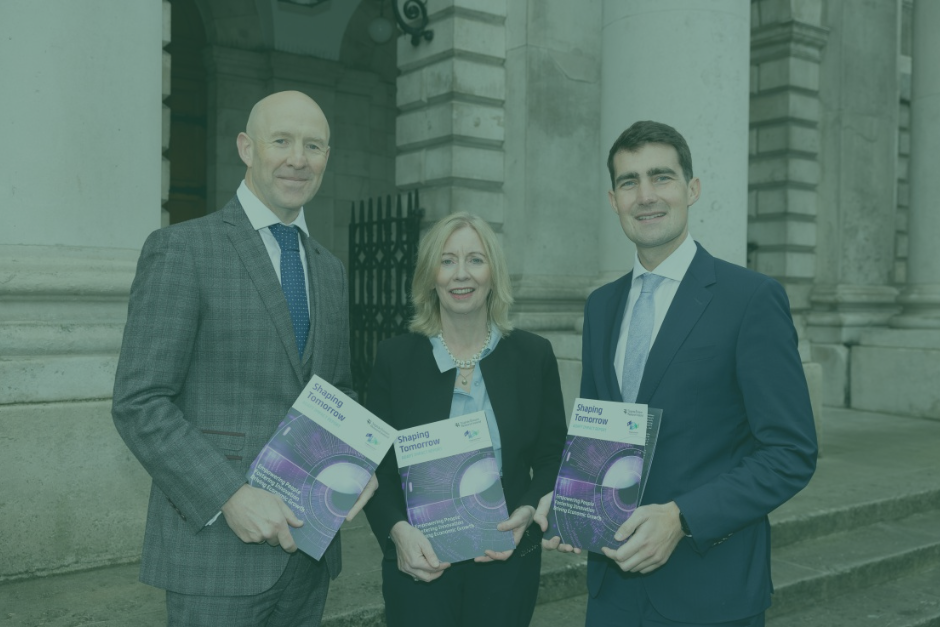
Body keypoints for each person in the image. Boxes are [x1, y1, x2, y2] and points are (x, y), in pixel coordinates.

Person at [537, 121, 818, 626]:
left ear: (691, 189)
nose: (645, 196)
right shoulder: (601, 306)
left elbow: (790, 452)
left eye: (661, 177)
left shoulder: (750, 299)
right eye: (629, 182)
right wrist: (570, 502)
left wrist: (683, 517)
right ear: (612, 198)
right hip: (612, 594)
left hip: (709, 590)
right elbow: (599, 439)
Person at [112, 91, 376, 627]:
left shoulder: (329, 270)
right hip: (214, 555)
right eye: (281, 141)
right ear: (246, 148)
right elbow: (139, 401)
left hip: (308, 555)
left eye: (314, 145)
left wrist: (355, 464)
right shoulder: (183, 249)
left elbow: (337, 391)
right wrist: (229, 495)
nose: (298, 158)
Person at [363, 212, 568, 627]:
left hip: (506, 561)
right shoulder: (394, 358)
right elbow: (374, 466)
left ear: (493, 273)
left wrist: (529, 510)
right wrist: (398, 533)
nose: (462, 275)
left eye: (475, 259)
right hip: (420, 564)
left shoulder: (533, 356)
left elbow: (552, 457)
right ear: (430, 275)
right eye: (447, 260)